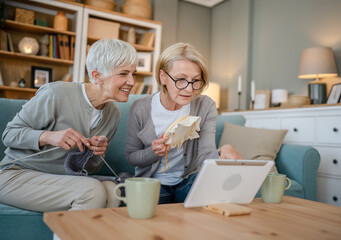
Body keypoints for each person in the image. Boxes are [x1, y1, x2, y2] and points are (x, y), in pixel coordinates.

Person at [0, 39, 137, 212]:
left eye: (134, 74)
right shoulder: (56, 93)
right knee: (91, 191)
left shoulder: (113, 114)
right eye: (124, 74)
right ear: (97, 76)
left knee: (112, 190)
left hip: (61, 180)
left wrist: (96, 153)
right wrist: (49, 136)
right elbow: (9, 134)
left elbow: (87, 169)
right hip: (16, 174)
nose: (132, 81)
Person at [125, 42, 243, 204]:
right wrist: (153, 152)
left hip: (187, 180)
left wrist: (223, 151)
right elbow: (131, 156)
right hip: (153, 183)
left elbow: (205, 153)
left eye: (196, 80)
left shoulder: (205, 106)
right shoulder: (140, 108)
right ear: (163, 77)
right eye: (181, 80)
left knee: (213, 202)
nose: (189, 89)